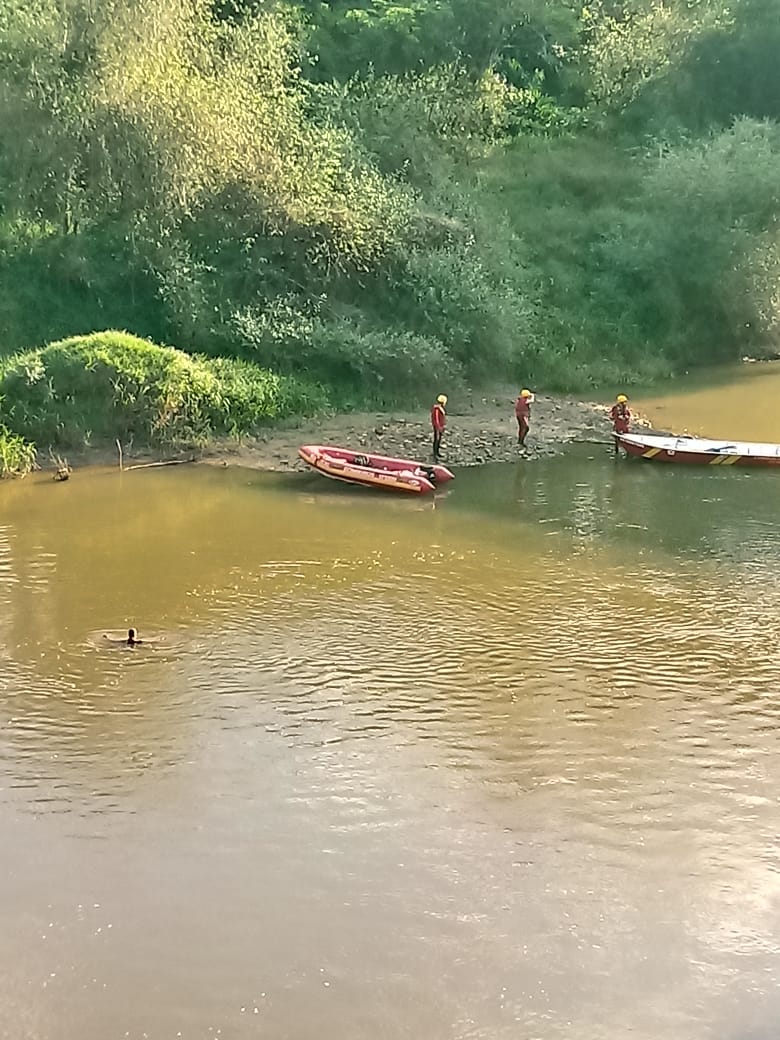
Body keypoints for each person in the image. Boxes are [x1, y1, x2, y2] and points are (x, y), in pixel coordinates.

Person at [431, 394, 447, 460]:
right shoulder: (437, 409)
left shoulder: (440, 408)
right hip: (437, 427)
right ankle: (435, 453)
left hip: (440, 426)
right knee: (436, 439)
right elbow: (436, 419)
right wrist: (439, 427)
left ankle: (437, 452)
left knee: (439, 439)